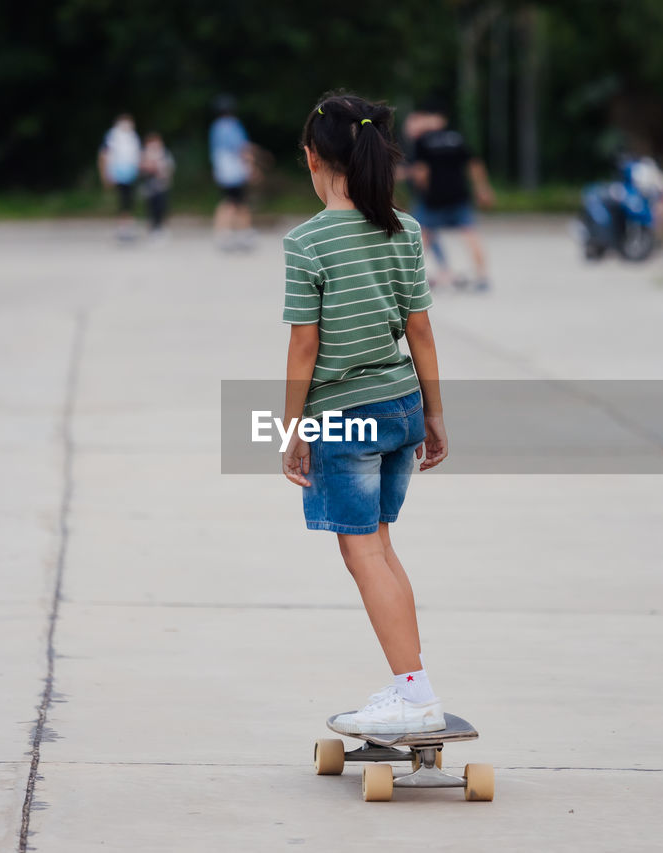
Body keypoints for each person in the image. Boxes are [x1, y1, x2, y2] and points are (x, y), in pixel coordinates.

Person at [280, 92, 448, 735]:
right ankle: (414, 684)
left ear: (311, 157)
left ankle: (414, 694)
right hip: (402, 404)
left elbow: (304, 345)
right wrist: (434, 415)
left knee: (365, 556)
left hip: (345, 414)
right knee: (380, 547)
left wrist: (292, 429)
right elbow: (422, 332)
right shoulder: (403, 229)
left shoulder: (308, 242)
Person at [409, 100, 495, 291]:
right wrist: (483, 188)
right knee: (470, 234)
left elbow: (422, 172)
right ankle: (483, 277)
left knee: (421, 236)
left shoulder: (422, 141)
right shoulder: (457, 138)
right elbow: (474, 164)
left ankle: (410, 278)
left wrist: (420, 189)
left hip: (434, 198)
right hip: (459, 196)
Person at [209, 95, 255, 250]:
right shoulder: (234, 126)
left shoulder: (216, 127)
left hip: (222, 172)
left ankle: (225, 233)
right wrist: (251, 166)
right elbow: (242, 148)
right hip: (236, 172)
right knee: (238, 203)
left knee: (228, 202)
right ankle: (242, 233)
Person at [99, 114, 141, 240]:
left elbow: (136, 155)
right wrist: (107, 173)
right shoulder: (113, 135)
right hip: (118, 173)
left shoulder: (133, 136)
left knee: (129, 202)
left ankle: (127, 227)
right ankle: (123, 228)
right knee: (123, 201)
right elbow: (105, 154)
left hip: (130, 174)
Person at [140, 132, 175, 237]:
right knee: (151, 208)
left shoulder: (164, 153)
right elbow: (142, 168)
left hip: (162, 185)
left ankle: (161, 228)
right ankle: (152, 229)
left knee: (162, 207)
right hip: (150, 186)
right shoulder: (144, 153)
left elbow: (170, 167)